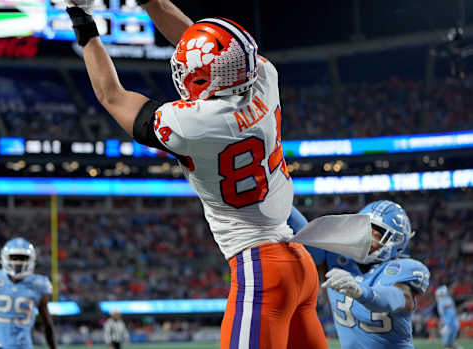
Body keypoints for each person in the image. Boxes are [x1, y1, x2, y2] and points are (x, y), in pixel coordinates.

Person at [65, 1, 328, 347]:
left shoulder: (194, 125)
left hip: (261, 268)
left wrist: (82, 21)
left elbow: (111, 95)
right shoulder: (264, 77)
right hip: (298, 262)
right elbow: (203, 44)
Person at [288, 201, 431, 349]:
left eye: (376, 235)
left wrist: (361, 291)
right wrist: (278, 196)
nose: (366, 239)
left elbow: (398, 298)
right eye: (364, 231)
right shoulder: (336, 257)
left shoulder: (405, 268)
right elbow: (305, 235)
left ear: (395, 243)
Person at [0, 237, 56, 349]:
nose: (18, 262)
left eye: (23, 258)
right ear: (5, 257)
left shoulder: (39, 285)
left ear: (31, 259)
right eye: (14, 257)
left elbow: (48, 326)